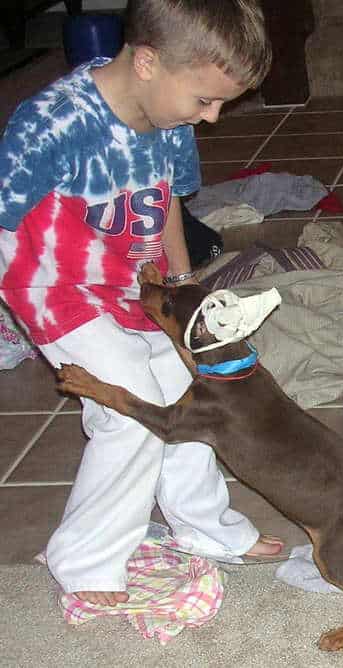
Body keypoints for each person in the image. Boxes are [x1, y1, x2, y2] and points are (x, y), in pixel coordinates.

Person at [0, 0, 282, 607]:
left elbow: (167, 204)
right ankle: (86, 559)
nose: (210, 120)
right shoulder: (49, 123)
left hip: (138, 287)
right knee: (131, 408)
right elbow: (4, 224)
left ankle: (205, 527)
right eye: (204, 100)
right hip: (57, 290)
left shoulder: (171, 122)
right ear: (149, 62)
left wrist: (184, 290)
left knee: (186, 389)